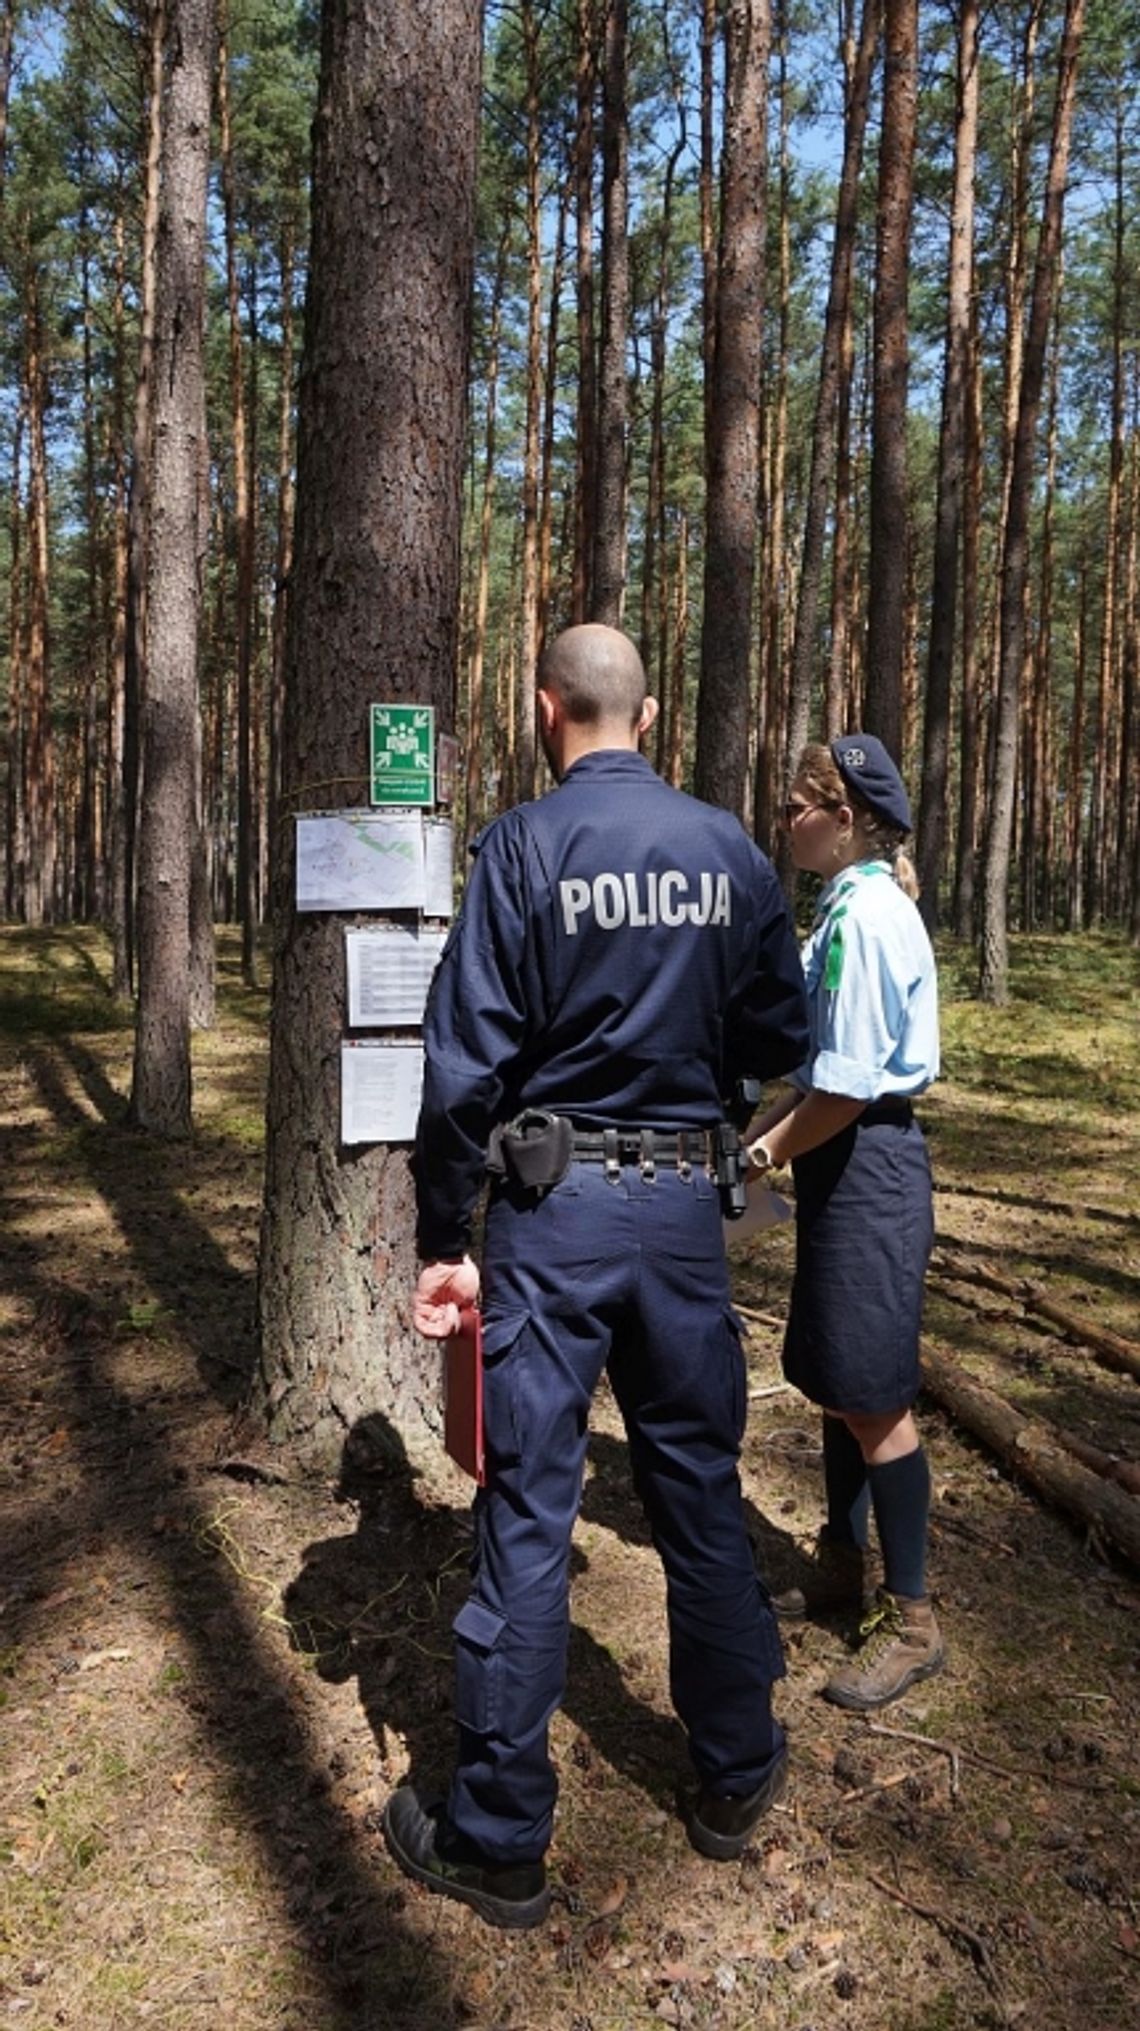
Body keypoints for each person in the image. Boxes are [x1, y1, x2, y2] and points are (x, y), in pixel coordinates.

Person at [382, 624, 810, 1929]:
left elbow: (463, 1065)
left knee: (526, 1519)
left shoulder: (521, 847)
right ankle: (734, 1774)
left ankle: (499, 1836)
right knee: (697, 1492)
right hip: (683, 1210)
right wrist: (699, 1105)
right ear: (652, 708)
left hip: (551, 1214)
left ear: (545, 707)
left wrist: (444, 1231)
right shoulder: (730, 848)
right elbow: (782, 1031)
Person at [746, 734, 943, 1714]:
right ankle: (838, 1565)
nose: (786, 820)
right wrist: (769, 1127)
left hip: (868, 1165)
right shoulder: (847, 909)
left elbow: (854, 1088)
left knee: (873, 1397)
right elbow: (821, 1071)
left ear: (848, 816)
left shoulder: (867, 921)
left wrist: (763, 1154)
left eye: (798, 805)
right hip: (843, 1158)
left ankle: (912, 1619)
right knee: (833, 1378)